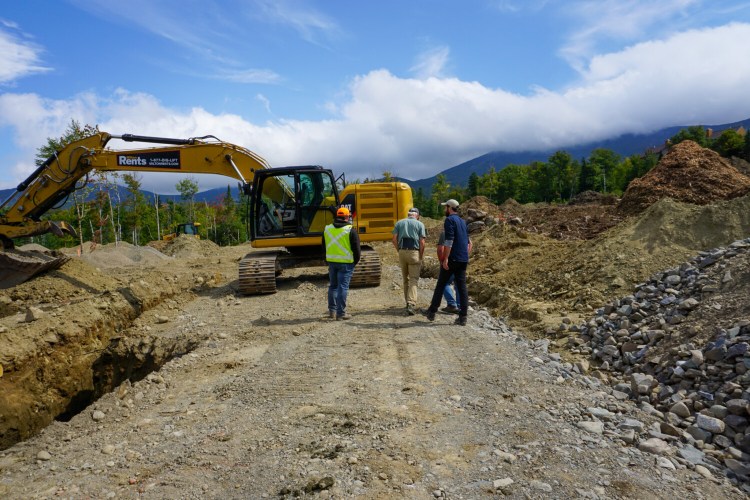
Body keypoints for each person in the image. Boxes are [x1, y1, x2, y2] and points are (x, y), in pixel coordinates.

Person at [423, 199, 471, 326]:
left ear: (449, 208)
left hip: (453, 258)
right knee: (461, 287)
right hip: (463, 258)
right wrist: (465, 255)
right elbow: (468, 242)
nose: (445, 209)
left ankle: (432, 311)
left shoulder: (449, 220)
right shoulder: (463, 222)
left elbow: (449, 241)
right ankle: (463, 317)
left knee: (441, 284)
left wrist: (446, 258)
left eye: (446, 207)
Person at [322, 206, 361, 320]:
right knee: (343, 287)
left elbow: (323, 246)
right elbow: (357, 249)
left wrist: (327, 259)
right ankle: (341, 314)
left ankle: (332, 312)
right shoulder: (350, 230)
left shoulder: (327, 229)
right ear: (347, 217)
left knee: (333, 286)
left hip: (332, 262)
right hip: (346, 263)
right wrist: (355, 262)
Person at [391, 207, 426, 315]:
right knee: (413, 279)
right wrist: (420, 255)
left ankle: (407, 302)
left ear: (408, 215)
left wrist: (399, 250)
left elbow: (394, 239)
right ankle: (411, 304)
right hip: (414, 252)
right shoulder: (420, 224)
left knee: (405, 279)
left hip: (402, 251)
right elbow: (422, 242)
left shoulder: (399, 223)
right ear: (417, 216)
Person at [437, 229, 460, 314]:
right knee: (458, 284)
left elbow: (440, 249)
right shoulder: (463, 232)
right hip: (460, 261)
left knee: (444, 282)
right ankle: (460, 305)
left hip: (449, 262)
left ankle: (452, 304)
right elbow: (469, 245)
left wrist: (441, 261)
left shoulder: (445, 233)